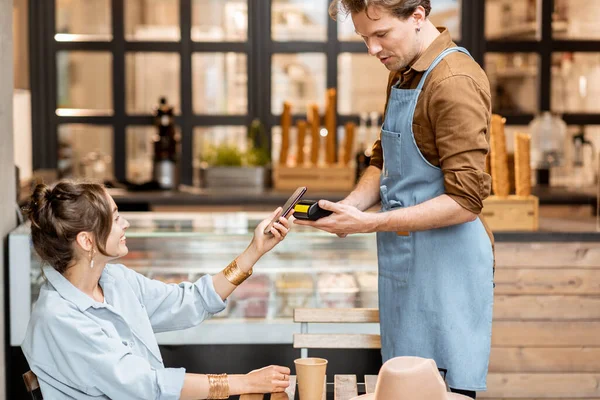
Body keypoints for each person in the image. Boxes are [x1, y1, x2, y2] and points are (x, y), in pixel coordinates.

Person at [295, 1, 494, 398]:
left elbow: (466, 201)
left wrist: (370, 222)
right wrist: (352, 206)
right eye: (365, 38)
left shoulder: (452, 82)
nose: (373, 49)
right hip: (407, 263)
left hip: (445, 274)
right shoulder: (403, 73)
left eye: (381, 34)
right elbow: (383, 158)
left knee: (440, 390)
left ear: (418, 16)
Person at [22, 180, 293, 399]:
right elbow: (147, 386)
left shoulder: (115, 280)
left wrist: (255, 250)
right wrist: (243, 383)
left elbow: (190, 301)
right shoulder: (58, 318)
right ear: (86, 240)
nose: (125, 223)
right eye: (115, 218)